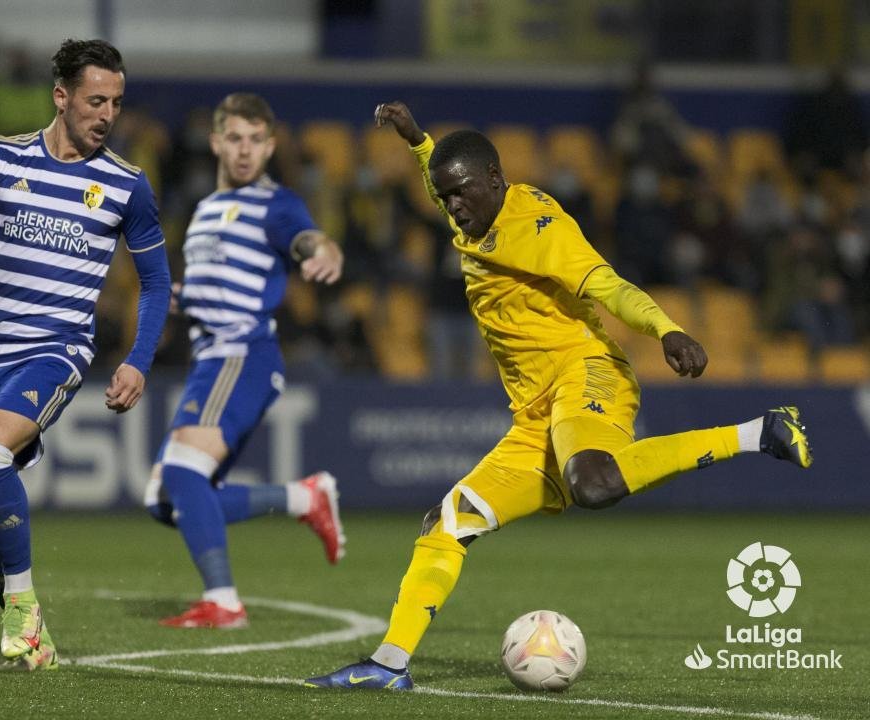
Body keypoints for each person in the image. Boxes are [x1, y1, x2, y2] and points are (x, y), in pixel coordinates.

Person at [304, 101, 813, 691]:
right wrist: (418, 140)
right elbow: (442, 174)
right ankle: (389, 666)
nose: (453, 206)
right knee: (446, 524)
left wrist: (666, 329)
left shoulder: (540, 227)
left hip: (587, 373)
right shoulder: (471, 213)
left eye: (462, 194)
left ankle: (759, 432)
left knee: (593, 485)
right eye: (445, 199)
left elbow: (609, 285)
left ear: (497, 180)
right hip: (534, 414)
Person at [0, 39, 171, 671]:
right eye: (95, 100)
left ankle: (22, 616)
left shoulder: (128, 186)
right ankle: (31, 634)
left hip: (56, 349)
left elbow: (158, 283)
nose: (107, 114)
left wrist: (138, 358)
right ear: (61, 96)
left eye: (117, 102)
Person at [143, 93, 346, 629]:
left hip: (242, 354)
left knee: (185, 473)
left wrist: (324, 250)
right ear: (216, 142)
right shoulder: (206, 210)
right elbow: (218, 287)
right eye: (235, 138)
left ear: (271, 146)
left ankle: (224, 602)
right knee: (166, 498)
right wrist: (180, 297)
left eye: (256, 141)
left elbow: (305, 236)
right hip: (211, 359)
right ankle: (303, 498)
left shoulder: (275, 203)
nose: (245, 150)